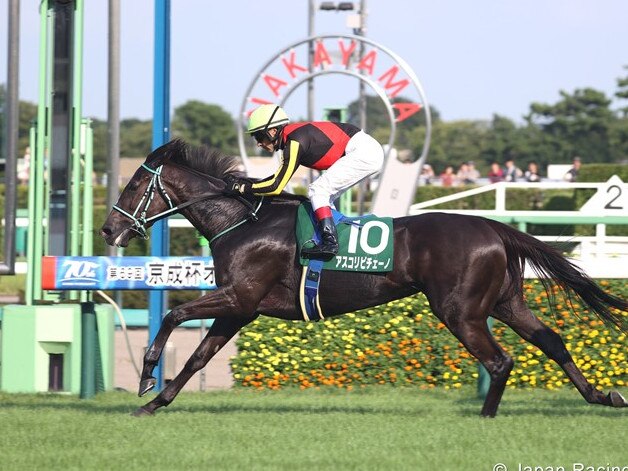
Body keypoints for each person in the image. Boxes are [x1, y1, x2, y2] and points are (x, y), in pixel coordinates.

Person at [225, 104, 384, 260]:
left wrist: (242, 188)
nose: (258, 143)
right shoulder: (292, 139)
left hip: (363, 151)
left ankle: (330, 243)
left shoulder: (295, 141)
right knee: (323, 199)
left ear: (273, 131)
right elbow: (276, 180)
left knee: (318, 190)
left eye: (259, 136)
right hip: (364, 150)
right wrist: (244, 185)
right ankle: (337, 240)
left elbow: (275, 186)